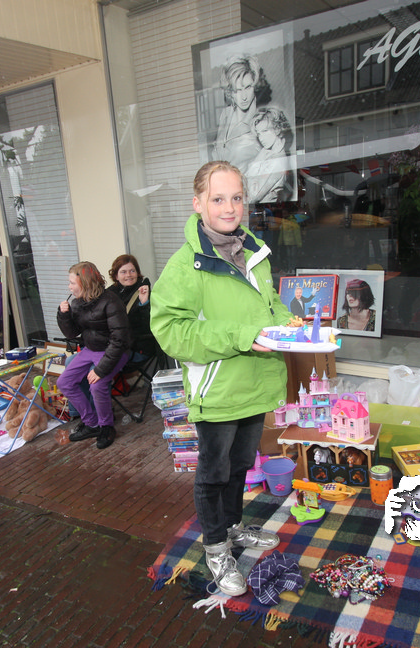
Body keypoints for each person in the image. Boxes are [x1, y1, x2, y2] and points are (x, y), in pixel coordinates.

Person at [150, 160, 293, 597]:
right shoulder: (185, 265)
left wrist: (290, 324)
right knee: (213, 474)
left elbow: (268, 306)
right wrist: (242, 336)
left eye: (236, 198)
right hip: (217, 391)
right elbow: (171, 331)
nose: (229, 208)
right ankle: (215, 548)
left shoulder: (254, 251)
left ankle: (232, 527)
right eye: (218, 198)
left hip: (256, 382)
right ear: (197, 203)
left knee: (240, 465)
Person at [56, 261, 132, 450]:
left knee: (97, 385)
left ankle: (106, 427)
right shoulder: (78, 302)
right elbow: (72, 333)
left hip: (114, 350)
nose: (69, 287)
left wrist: (100, 370)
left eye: (72, 283)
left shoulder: (111, 301)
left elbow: (119, 340)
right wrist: (64, 315)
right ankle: (91, 423)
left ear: (85, 283)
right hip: (91, 349)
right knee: (64, 382)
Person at [211, 55, 271, 171]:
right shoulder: (225, 114)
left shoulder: (262, 120)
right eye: (238, 90)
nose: (244, 97)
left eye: (248, 87)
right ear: (230, 91)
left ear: (255, 86)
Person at [106, 254, 157, 363]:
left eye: (132, 271)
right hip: (113, 345)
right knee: (72, 362)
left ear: (137, 273)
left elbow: (150, 325)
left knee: (97, 366)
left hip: (136, 348)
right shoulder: (110, 293)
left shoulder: (144, 291)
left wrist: (144, 303)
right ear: (116, 276)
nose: (128, 275)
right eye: (123, 272)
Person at [245, 105, 293, 204]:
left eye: (265, 131)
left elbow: (253, 196)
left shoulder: (277, 160)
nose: (261, 138)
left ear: (277, 129)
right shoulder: (266, 153)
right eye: (259, 134)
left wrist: (256, 164)